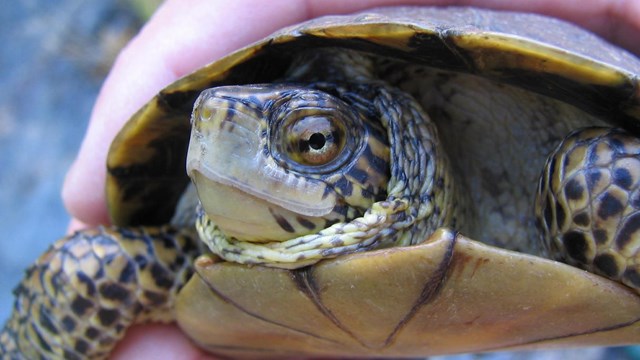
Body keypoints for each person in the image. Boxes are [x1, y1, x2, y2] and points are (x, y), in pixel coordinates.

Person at [60, 0, 640, 358]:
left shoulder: (571, 176)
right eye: (203, 138)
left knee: (597, 181)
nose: (217, 147)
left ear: (397, 151)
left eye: (313, 141)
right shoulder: (171, 258)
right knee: (85, 269)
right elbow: (93, 269)